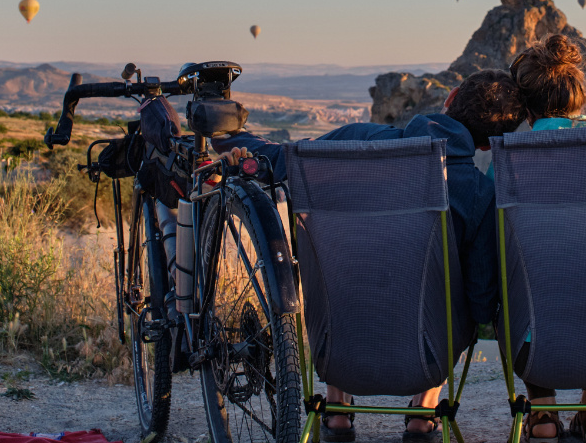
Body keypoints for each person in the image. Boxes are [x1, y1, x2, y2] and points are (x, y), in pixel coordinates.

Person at [214, 69, 523, 442]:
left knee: (343, 272)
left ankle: (338, 411)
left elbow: (280, 160)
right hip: (426, 353)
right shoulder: (477, 194)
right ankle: (423, 413)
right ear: (488, 145)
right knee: (454, 295)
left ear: (450, 97)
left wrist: (234, 141)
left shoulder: (353, 140)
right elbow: (482, 301)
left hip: (337, 344)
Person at [507, 34, 586, 443]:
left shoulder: (510, 156)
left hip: (532, 343)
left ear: (525, 104)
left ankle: (543, 413)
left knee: (521, 288)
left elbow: (493, 252)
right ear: (579, 94)